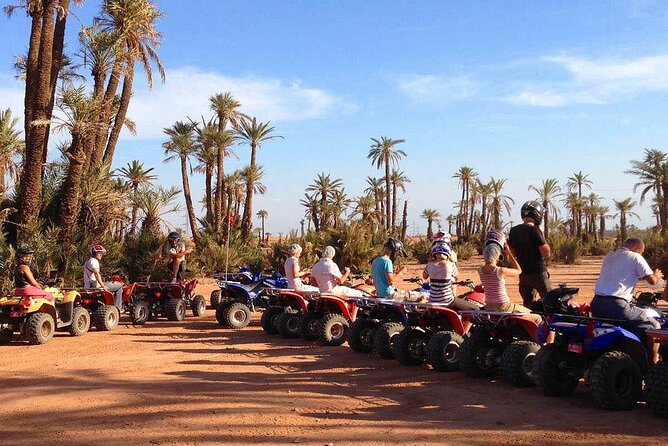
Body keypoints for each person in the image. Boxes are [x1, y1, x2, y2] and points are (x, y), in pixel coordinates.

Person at [592, 237, 663, 364]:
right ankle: (652, 366)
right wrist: (657, 276)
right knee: (655, 325)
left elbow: (622, 274)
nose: (641, 255)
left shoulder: (610, 255)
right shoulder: (635, 257)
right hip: (617, 306)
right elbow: (652, 280)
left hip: (597, 304)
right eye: (641, 252)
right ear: (636, 249)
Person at [477, 239, 541, 324]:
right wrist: (509, 253)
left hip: (489, 306)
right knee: (537, 317)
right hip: (503, 306)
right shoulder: (500, 271)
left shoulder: (480, 270)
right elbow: (519, 271)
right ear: (497, 256)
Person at [508, 200, 553, 309]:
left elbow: (512, 253)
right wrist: (542, 236)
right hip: (538, 273)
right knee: (550, 301)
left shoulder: (513, 230)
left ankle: (531, 324)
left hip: (523, 274)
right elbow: (546, 253)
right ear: (537, 214)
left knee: (528, 305)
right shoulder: (534, 230)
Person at [422, 243, 479, 310]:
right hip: (447, 301)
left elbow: (424, 276)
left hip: (433, 300)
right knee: (475, 308)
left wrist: (430, 262)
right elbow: (457, 277)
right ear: (447, 253)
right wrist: (452, 260)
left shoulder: (429, 265)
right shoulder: (450, 265)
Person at [84, 245, 123, 309]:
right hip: (94, 285)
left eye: (101, 253)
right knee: (119, 287)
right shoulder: (94, 261)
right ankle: (117, 308)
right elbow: (96, 273)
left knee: (108, 283)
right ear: (94, 253)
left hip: (88, 285)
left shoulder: (88, 260)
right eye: (99, 253)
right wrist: (103, 286)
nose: (101, 254)